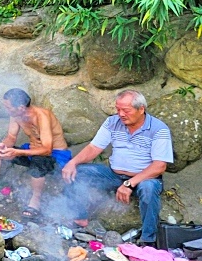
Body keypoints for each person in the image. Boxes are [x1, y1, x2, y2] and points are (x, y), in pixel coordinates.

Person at [62, 90, 172, 246]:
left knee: (149, 189)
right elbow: (94, 148)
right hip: (114, 175)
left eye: (126, 110)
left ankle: (148, 241)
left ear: (141, 109)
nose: (121, 114)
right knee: (77, 172)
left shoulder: (159, 129)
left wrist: (129, 184)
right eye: (118, 109)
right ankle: (80, 218)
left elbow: (159, 166)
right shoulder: (112, 122)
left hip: (145, 178)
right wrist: (73, 162)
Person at [0, 88, 70, 218]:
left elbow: (47, 149)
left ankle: (35, 202)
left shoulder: (42, 116)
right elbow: (11, 137)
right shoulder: (16, 115)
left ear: (21, 107)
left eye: (8, 107)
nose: (6, 110)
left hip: (55, 156)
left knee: (39, 160)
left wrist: (17, 152)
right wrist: (4, 146)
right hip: (30, 151)